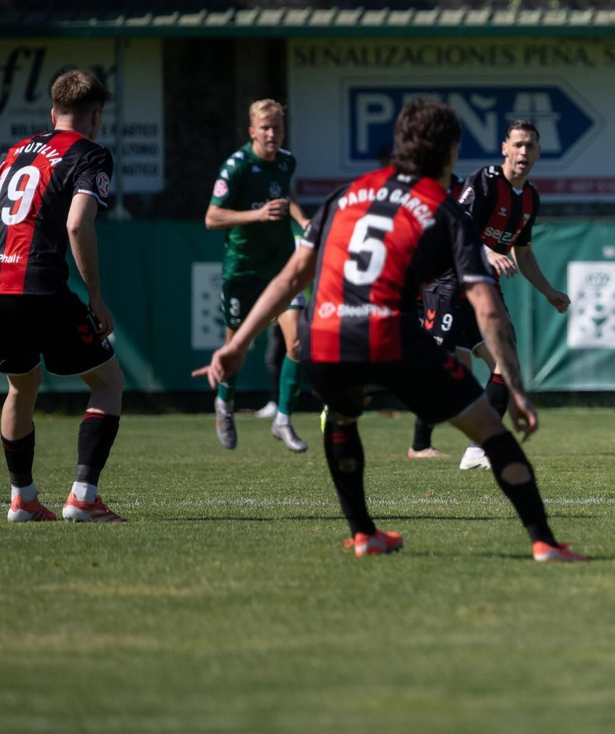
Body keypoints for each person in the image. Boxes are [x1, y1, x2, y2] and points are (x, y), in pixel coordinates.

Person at [195, 98, 583, 561]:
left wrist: (237, 343)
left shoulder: (347, 193)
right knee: (490, 431)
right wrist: (516, 389)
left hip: (324, 341)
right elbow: (487, 305)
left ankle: (364, 534)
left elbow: (291, 278)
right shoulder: (443, 207)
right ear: (451, 152)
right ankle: (544, 542)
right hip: (388, 336)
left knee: (342, 417)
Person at [0, 69, 128, 524]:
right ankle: (83, 498)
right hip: (37, 282)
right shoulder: (90, 154)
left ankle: (23, 500)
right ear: (96, 115)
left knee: (21, 386)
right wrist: (96, 298)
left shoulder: (11, 153)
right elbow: (77, 225)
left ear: (53, 113)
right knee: (108, 382)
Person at [411, 119, 571, 466]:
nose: (523, 151)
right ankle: (419, 444)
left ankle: (477, 450)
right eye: (518, 144)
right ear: (504, 148)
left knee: (506, 363)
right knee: (438, 369)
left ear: (538, 152)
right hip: (449, 283)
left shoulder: (530, 197)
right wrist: (487, 251)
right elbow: (458, 225)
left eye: (530, 145)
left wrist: (548, 291)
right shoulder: (484, 180)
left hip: (484, 289)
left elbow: (523, 253)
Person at [204, 99, 309, 452]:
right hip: (244, 269)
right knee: (237, 348)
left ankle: (283, 420)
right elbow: (212, 218)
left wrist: (302, 219)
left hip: (281, 266)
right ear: (252, 131)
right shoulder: (236, 167)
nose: (271, 133)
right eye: (265, 127)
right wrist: (258, 215)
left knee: (298, 343)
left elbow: (285, 192)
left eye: (277, 127)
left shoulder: (286, 161)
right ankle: (224, 405)